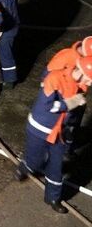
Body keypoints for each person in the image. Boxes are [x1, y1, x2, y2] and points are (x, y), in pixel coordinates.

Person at [14, 56, 92, 213]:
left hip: (59, 133)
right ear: (82, 71)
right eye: (90, 79)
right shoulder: (55, 78)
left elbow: (72, 113)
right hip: (40, 129)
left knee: (55, 167)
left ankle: (53, 198)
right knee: (35, 161)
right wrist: (70, 103)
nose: (90, 83)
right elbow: (47, 105)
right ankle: (24, 168)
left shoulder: (80, 85)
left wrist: (70, 127)